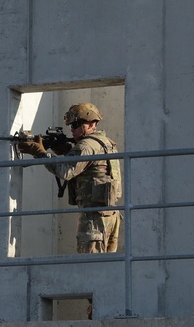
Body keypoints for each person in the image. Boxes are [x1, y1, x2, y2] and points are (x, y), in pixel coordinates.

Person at [16, 103, 122, 254]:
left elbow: (66, 172)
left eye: (77, 124)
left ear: (92, 123)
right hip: (109, 215)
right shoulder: (105, 143)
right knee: (106, 267)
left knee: (90, 266)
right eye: (71, 125)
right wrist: (65, 150)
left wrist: (40, 153)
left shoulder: (85, 146)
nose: (72, 129)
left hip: (94, 217)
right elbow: (90, 166)